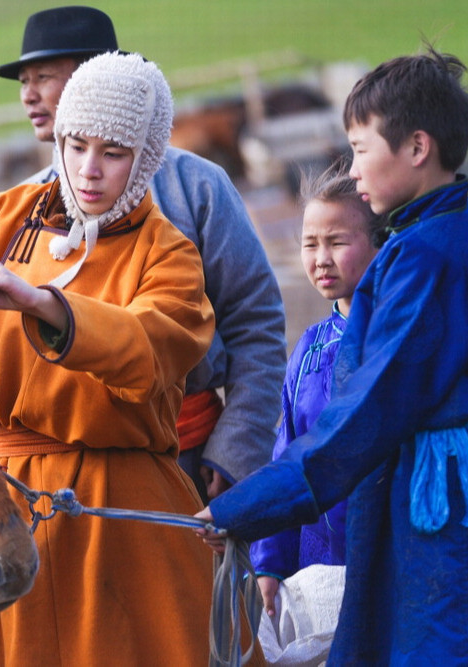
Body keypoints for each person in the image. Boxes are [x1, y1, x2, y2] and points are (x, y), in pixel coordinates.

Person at [0, 52, 248, 666]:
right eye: (75, 145)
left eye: (114, 153)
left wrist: (48, 307)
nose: (88, 170)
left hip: (123, 511)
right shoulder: (3, 218)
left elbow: (149, 347)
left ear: (144, 159)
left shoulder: (169, 254)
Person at [196, 45, 468, 664]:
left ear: (418, 148)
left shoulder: (421, 258)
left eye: (362, 150)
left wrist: (244, 509)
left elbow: (367, 414)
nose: (355, 168)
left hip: (438, 520)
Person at [0, 6, 287, 501]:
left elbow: (254, 320)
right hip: (60, 480)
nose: (27, 95)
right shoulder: (19, 208)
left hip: (187, 460)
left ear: (97, 73)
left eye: (43, 76)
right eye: (23, 80)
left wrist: (237, 450)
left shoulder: (197, 187)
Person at [250, 161, 382, 664]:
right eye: (310, 244)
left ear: (379, 242)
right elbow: (288, 460)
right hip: (321, 567)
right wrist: (269, 566)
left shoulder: (396, 341)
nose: (321, 259)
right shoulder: (307, 351)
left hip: (390, 552)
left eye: (337, 242)